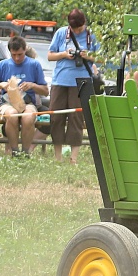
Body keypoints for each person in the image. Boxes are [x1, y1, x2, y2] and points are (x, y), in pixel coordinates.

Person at [48, 9, 99, 164]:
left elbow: (101, 58)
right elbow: (50, 55)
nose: (77, 31)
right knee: (56, 117)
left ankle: (73, 158)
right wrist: (64, 54)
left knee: (76, 118)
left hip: (81, 81)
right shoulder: (61, 33)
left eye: (80, 28)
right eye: (74, 29)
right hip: (60, 81)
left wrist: (87, 55)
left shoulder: (91, 36)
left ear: (84, 23)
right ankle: (58, 157)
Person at [0, 36, 49, 157]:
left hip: (28, 103)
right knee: (12, 115)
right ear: (10, 52)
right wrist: (1, 84)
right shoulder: (3, 65)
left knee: (28, 116)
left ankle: (26, 152)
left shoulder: (34, 65)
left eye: (20, 54)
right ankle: (15, 151)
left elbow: (45, 91)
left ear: (25, 50)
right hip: (7, 103)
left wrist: (32, 85)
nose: (17, 58)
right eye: (14, 55)